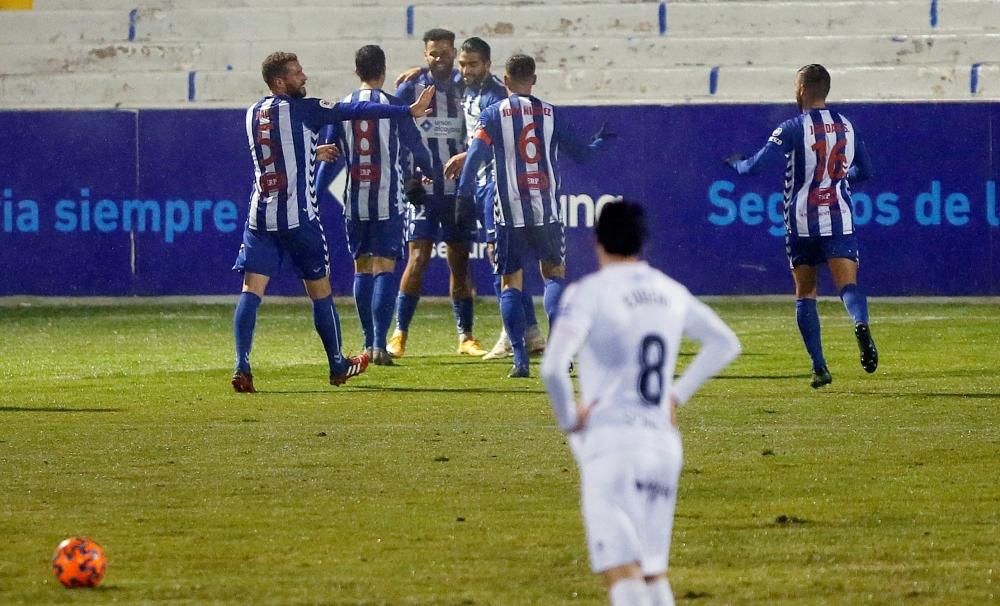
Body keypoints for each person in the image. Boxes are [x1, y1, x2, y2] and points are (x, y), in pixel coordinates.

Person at [540, 200, 741, 606]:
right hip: (662, 445)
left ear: (595, 241)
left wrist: (569, 421)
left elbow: (552, 368)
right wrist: (675, 396)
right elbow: (725, 343)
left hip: (612, 444)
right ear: (643, 242)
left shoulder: (589, 293)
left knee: (622, 570)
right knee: (651, 570)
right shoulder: (669, 291)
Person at [231, 51, 434, 392]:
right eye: (297, 73)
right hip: (299, 219)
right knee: (320, 292)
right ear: (281, 81)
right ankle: (338, 364)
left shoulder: (252, 114)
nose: (304, 77)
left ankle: (242, 366)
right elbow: (355, 109)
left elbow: (279, 154)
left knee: (251, 291)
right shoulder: (305, 109)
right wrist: (406, 110)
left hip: (260, 218)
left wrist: (313, 152)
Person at [456, 53, 611, 377]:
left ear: (506, 81)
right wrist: (599, 142)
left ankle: (520, 361)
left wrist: (463, 196)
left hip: (508, 213)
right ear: (535, 80)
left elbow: (474, 158)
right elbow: (583, 155)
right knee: (553, 275)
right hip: (547, 212)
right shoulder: (549, 114)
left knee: (510, 282)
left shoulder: (492, 114)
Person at [725, 63, 878, 389]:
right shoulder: (847, 126)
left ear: (805, 89)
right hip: (838, 217)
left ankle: (820, 367)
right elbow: (864, 171)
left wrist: (736, 165)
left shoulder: (793, 127)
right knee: (848, 286)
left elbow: (757, 165)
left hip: (802, 222)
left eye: (797, 87)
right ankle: (860, 323)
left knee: (806, 293)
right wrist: (836, 179)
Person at [316, 45, 434, 367]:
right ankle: (381, 344)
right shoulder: (396, 106)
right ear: (383, 70)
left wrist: (314, 191)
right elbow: (416, 148)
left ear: (356, 71)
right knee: (385, 267)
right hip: (388, 198)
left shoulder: (342, 108)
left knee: (362, 266)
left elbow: (328, 155)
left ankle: (368, 342)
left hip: (354, 199)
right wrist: (430, 173)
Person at [443, 36, 547, 361]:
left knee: (500, 261)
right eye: (462, 64)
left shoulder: (493, 97)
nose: (465, 70)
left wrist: (467, 156)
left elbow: (501, 142)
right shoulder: (469, 90)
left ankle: (510, 335)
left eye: (472, 64)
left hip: (496, 187)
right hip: (484, 184)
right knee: (504, 261)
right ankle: (530, 333)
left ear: (488, 65)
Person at [388, 28, 486, 359]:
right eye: (433, 53)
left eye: (445, 52)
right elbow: (392, 127)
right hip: (425, 190)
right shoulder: (410, 87)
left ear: (454, 51)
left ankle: (466, 336)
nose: (439, 58)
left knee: (459, 261)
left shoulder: (466, 85)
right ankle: (399, 333)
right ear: (425, 55)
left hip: (458, 191)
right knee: (418, 258)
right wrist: (406, 176)